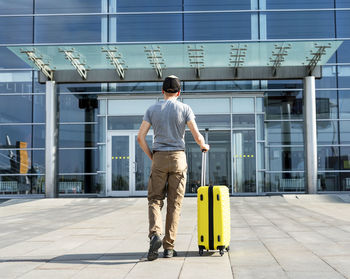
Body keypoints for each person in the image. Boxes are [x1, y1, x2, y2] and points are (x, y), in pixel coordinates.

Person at [137, 75, 210, 261]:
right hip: (178, 157)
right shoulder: (185, 108)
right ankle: (169, 247)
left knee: (154, 199)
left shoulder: (152, 109)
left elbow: (140, 137)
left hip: (159, 157)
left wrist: (152, 157)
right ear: (179, 92)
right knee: (174, 204)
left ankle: (155, 235)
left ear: (162, 91)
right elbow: (197, 136)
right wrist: (204, 146)